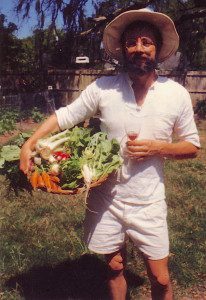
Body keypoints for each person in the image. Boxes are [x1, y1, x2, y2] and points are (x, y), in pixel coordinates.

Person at [20, 8, 200, 300]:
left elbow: (192, 146)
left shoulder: (175, 93)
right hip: (106, 198)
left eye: (146, 42)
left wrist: (159, 147)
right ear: (123, 49)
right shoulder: (104, 88)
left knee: (160, 277)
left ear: (157, 49)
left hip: (149, 200)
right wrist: (30, 144)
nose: (139, 48)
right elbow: (66, 116)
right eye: (132, 42)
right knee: (115, 268)